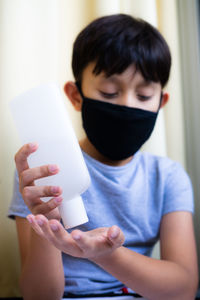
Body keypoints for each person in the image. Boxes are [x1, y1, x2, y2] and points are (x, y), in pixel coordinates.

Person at [8, 14, 198, 300]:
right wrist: (44, 222)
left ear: (161, 102)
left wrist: (106, 254)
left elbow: (183, 289)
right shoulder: (42, 173)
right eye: (110, 92)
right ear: (75, 95)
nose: (127, 105)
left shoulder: (167, 177)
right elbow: (38, 295)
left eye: (144, 96)